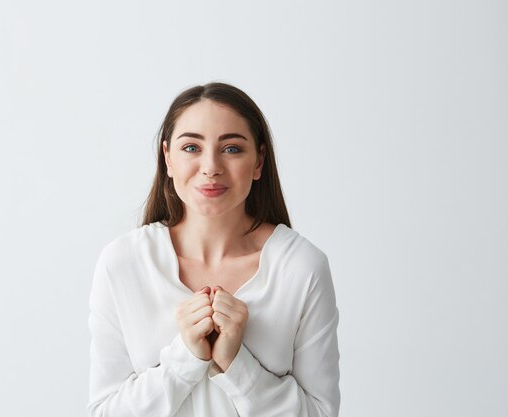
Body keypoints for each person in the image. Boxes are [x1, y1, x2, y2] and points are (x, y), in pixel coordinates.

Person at [87, 82, 340, 417]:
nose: (211, 167)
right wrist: (185, 360)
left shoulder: (302, 267)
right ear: (168, 160)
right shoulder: (122, 264)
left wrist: (237, 365)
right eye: (191, 147)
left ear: (259, 160)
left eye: (232, 149)